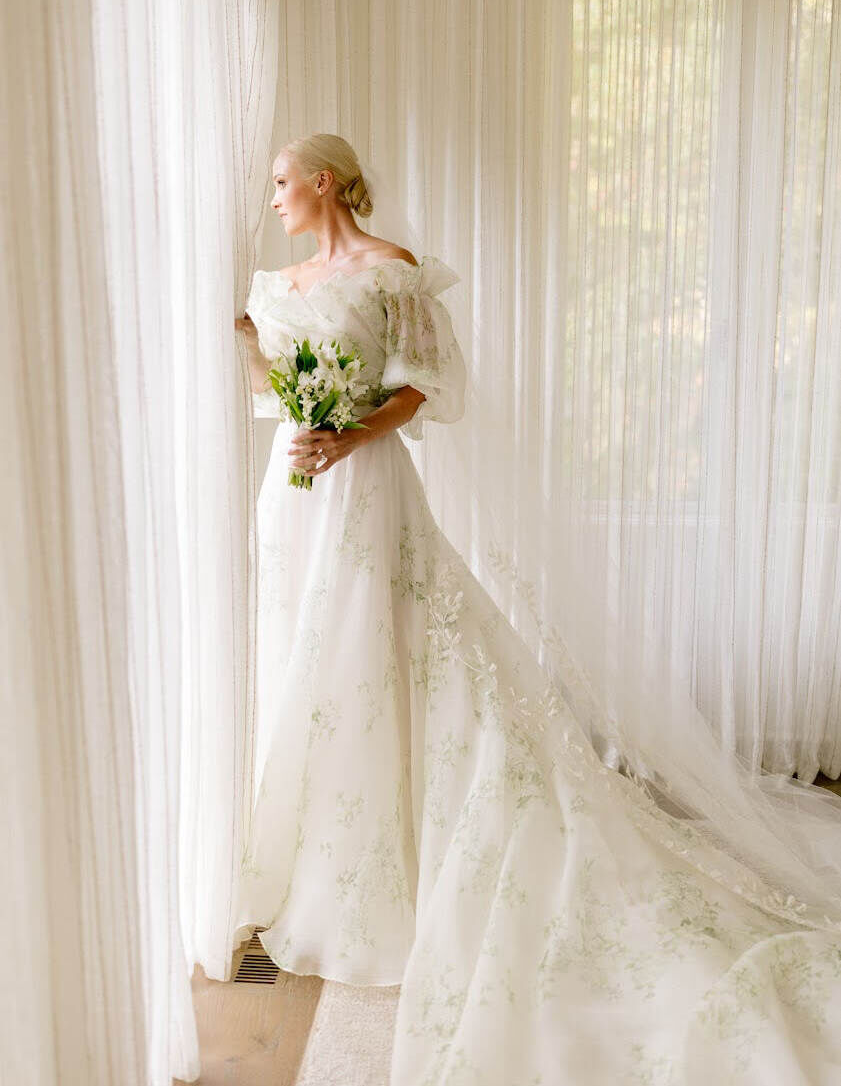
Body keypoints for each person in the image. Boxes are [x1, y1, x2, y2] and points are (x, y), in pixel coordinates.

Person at [233, 133, 841, 1084]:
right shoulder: (276, 286)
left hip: (365, 485)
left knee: (378, 646)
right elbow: (276, 389)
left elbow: (431, 387)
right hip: (294, 491)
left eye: (281, 180)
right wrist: (270, 377)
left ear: (322, 179)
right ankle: (318, 855)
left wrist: (349, 432)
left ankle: (411, 850)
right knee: (308, 660)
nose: (271, 197)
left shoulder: (393, 271)